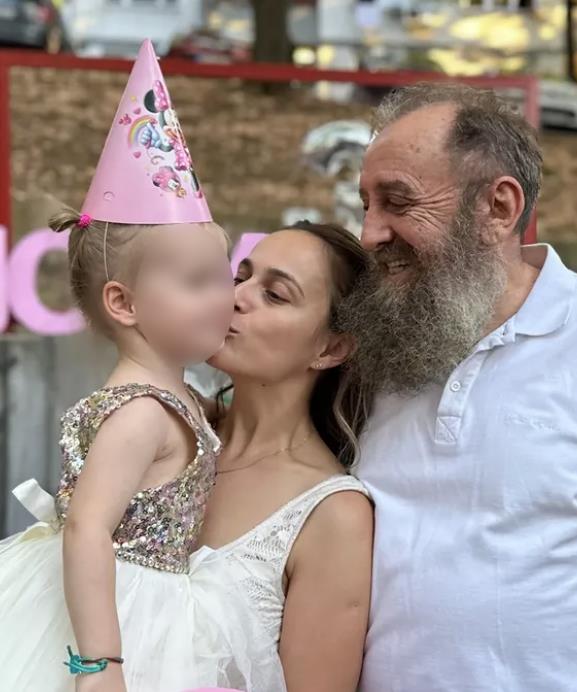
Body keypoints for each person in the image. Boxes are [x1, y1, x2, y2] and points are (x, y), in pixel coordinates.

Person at [0, 40, 235, 692]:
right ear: (124, 303)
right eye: (198, 282)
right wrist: (99, 663)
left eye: (224, 276)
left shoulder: (176, 395)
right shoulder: (139, 414)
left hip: (155, 604)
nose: (225, 296)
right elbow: (86, 528)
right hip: (122, 616)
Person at [356, 83, 577, 692]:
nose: (370, 233)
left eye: (398, 201)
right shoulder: (372, 343)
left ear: (498, 208)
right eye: (365, 204)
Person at [187, 221, 378, 692]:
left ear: (331, 348)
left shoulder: (332, 515)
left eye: (274, 295)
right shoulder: (165, 432)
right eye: (240, 277)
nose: (234, 297)